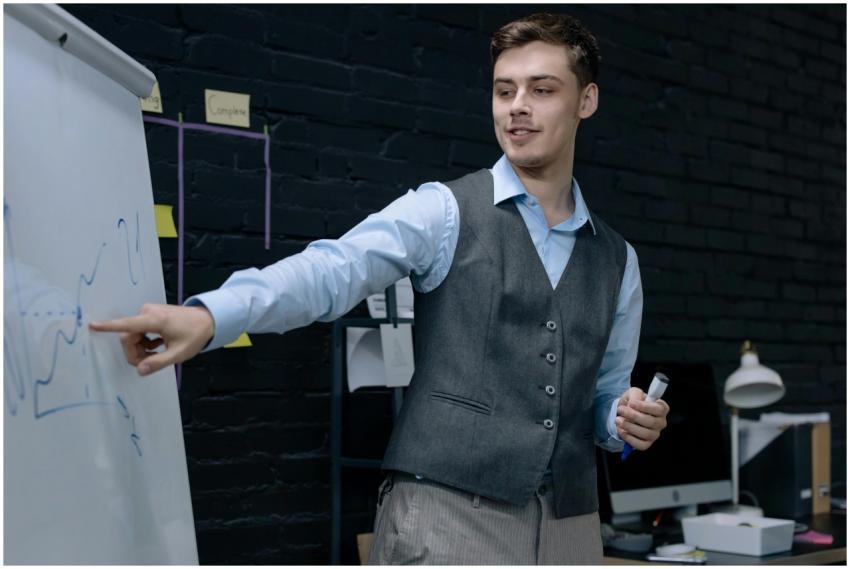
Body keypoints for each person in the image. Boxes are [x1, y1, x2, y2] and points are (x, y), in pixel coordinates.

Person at [91, 12, 670, 565]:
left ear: (586, 100)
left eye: (541, 90)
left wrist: (623, 419)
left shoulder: (619, 260)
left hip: (571, 527)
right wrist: (211, 316)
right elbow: (331, 270)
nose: (517, 106)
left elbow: (604, 399)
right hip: (447, 517)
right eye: (504, 90)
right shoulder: (443, 211)